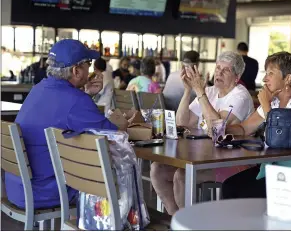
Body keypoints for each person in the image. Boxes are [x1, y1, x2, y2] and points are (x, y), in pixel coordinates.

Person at [4, 39, 128, 209]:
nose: (90, 69)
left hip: (17, 188)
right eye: (88, 64)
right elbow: (115, 135)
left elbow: (66, 113)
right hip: (43, 192)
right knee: (110, 178)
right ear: (77, 71)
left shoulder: (39, 89)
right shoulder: (76, 101)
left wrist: (85, 94)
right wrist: (122, 123)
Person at [150, 51, 254, 215]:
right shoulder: (211, 91)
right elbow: (182, 122)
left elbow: (216, 128)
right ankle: (174, 217)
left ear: (237, 76)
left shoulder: (240, 96)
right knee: (158, 169)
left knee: (182, 176)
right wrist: (187, 91)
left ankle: (188, 223)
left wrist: (199, 91)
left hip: (232, 162)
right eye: (218, 67)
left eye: (225, 70)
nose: (218, 72)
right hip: (203, 157)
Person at [223, 52, 291, 201]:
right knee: (230, 186)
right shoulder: (274, 102)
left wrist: (265, 104)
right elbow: (245, 128)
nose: (265, 79)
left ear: (288, 79)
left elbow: (280, 140)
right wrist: (222, 128)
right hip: (278, 167)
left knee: (241, 191)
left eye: (270, 73)